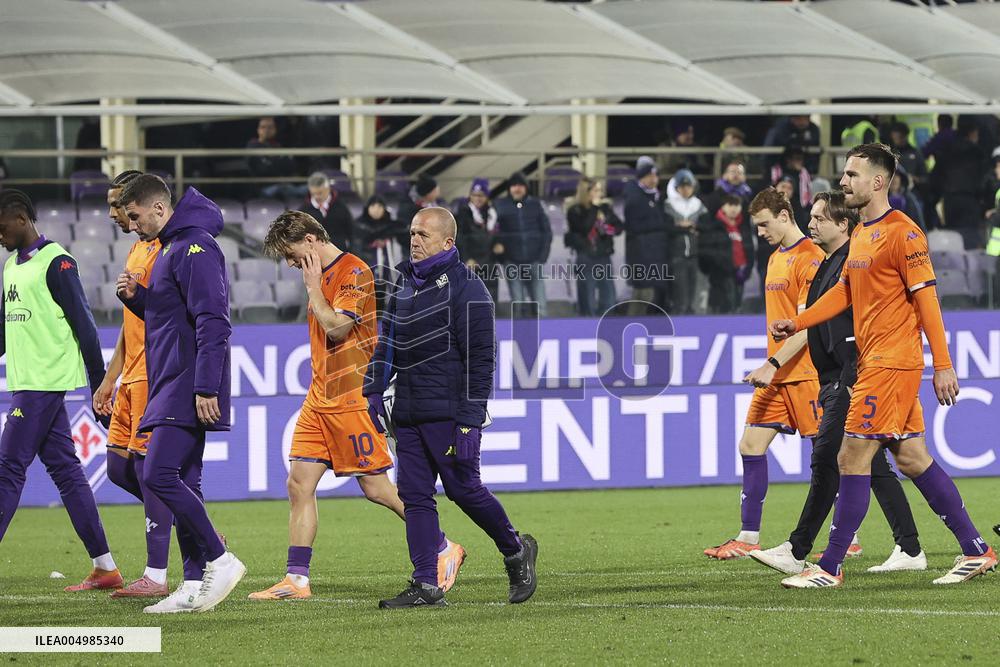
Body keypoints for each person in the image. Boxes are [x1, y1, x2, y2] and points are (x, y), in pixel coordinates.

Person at [771, 143, 996, 588]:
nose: (843, 182)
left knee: (850, 457)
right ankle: (976, 550)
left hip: (892, 364)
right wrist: (798, 321)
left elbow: (927, 300)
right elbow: (844, 294)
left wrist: (944, 365)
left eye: (852, 174)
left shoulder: (904, 233)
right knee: (911, 458)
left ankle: (829, 566)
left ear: (878, 181)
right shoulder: (861, 233)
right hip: (878, 362)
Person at [251, 211, 466, 601]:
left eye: (292, 252)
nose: (290, 262)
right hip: (319, 397)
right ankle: (296, 580)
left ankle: (442, 547)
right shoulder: (318, 272)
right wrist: (314, 284)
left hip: (351, 397)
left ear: (312, 239)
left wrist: (314, 287)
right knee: (299, 484)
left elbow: (338, 327)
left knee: (377, 488)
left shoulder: (353, 271)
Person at [364, 207, 537, 608]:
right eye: (411, 233)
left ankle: (515, 550)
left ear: (447, 242)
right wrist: (373, 390)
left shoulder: (469, 289)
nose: (414, 240)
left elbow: (482, 359)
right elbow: (385, 342)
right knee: (415, 496)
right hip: (407, 412)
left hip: (449, 413)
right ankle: (426, 583)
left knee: (465, 490)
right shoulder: (402, 285)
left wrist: (470, 421)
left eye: (423, 234)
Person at [749, 191, 926, 576]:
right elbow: (824, 316)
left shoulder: (847, 259)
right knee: (885, 462)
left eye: (818, 218)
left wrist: (848, 376)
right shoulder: (831, 262)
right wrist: (799, 326)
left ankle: (806, 553)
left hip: (854, 376)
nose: (810, 223)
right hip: (837, 376)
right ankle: (912, 547)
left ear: (842, 224)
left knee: (830, 460)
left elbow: (855, 325)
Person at [116, 174, 245, 612]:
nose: (131, 225)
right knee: (186, 480)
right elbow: (172, 316)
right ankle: (191, 584)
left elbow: (214, 320)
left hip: (188, 382)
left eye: (134, 216)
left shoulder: (194, 246)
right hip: (172, 379)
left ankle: (220, 558)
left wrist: (206, 385)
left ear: (157, 208)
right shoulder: (171, 247)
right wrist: (140, 299)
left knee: (156, 474)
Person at [0, 188, 121, 592]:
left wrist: (99, 382)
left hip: (43, 383)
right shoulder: (11, 265)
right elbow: (5, 332)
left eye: (0, 227)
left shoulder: (58, 263)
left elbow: (85, 327)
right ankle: (105, 567)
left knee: (7, 469)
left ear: (20, 219)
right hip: (28, 384)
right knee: (68, 473)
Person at [94, 170, 201, 599]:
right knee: (119, 469)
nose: (115, 215)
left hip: (158, 374)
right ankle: (199, 526)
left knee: (151, 471)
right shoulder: (137, 249)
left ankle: (156, 575)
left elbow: (169, 312)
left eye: (119, 206)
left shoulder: (168, 248)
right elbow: (129, 323)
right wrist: (110, 376)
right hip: (132, 374)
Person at [704, 187, 824, 560]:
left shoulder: (813, 259)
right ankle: (748, 536)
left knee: (830, 458)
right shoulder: (775, 259)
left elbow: (809, 327)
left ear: (785, 216)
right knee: (750, 446)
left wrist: (771, 364)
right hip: (777, 372)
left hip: (804, 373)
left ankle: (846, 539)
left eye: (764, 224)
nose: (759, 232)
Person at [494, 172, 552, 318]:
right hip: (511, 261)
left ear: (526, 188)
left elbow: (546, 232)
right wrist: (503, 257)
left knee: (540, 304)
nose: (517, 189)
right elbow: (494, 232)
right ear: (509, 188)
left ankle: (544, 333)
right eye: (514, 186)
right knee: (517, 304)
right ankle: (520, 335)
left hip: (534, 260)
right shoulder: (500, 205)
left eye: (520, 185)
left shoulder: (535, 205)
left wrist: (542, 256)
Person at [565, 178, 622, 316]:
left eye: (600, 190)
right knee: (587, 298)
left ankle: (605, 325)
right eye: (596, 190)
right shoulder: (575, 210)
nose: (600, 193)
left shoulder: (605, 208)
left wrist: (606, 228)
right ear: (587, 192)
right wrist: (595, 209)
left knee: (609, 297)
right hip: (586, 257)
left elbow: (619, 227)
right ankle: (588, 327)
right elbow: (584, 227)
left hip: (603, 255)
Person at [623, 157, 670, 315]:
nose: (654, 179)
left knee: (653, 296)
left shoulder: (656, 197)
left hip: (656, 254)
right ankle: (632, 328)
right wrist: (661, 226)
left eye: (655, 176)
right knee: (643, 295)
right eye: (650, 176)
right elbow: (633, 226)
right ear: (642, 177)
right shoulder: (634, 198)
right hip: (641, 254)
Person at [697, 193, 753, 314]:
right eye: (730, 205)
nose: (734, 209)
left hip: (740, 273)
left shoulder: (743, 226)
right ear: (723, 207)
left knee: (736, 305)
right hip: (720, 274)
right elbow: (708, 251)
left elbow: (749, 250)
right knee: (722, 305)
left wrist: (747, 268)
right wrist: (721, 266)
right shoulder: (713, 225)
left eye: (737, 205)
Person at [664, 169, 705, 315]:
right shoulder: (668, 205)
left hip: (695, 255)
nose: (686, 189)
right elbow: (666, 227)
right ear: (676, 188)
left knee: (693, 293)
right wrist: (684, 228)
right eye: (682, 186)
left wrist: (693, 227)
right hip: (677, 256)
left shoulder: (698, 205)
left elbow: (706, 225)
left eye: (689, 186)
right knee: (679, 294)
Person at [454, 178, 501, 305]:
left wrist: (498, 243)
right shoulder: (463, 212)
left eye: (481, 195)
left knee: (490, 299)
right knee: (470, 300)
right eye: (474, 195)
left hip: (489, 262)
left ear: (487, 197)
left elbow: (497, 233)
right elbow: (459, 238)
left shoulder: (492, 212)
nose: (477, 198)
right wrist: (467, 258)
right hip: (471, 263)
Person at [246, 117, 299, 200]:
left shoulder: (277, 146)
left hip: (284, 186)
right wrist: (278, 162)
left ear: (275, 130)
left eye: (270, 127)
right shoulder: (252, 145)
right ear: (258, 130)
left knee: (306, 190)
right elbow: (261, 170)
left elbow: (291, 167)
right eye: (263, 127)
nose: (267, 130)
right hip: (263, 189)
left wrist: (271, 162)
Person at [300, 172, 352, 251]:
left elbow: (351, 231)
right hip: (314, 255)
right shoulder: (304, 210)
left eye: (320, 193)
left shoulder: (341, 207)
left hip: (338, 253)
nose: (317, 196)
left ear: (328, 189)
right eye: (313, 194)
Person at [396, 175, 441, 258]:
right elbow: (402, 232)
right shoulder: (407, 209)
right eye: (435, 190)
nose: (438, 192)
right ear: (428, 194)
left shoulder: (434, 205)